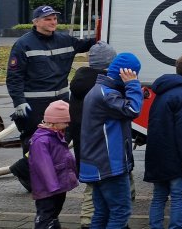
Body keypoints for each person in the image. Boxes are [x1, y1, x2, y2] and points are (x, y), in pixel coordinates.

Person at [6, 5, 95, 191]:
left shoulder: (64, 40)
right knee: (35, 142)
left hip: (61, 103)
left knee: (62, 138)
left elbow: (87, 44)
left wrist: (104, 34)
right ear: (36, 22)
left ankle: (23, 169)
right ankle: (32, 179)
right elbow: (14, 77)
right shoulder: (23, 44)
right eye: (48, 19)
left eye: (54, 18)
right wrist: (19, 102)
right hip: (34, 105)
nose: (53, 22)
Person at [79, 52, 143, 228]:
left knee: (102, 211)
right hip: (109, 164)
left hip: (100, 162)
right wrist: (132, 85)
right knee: (120, 212)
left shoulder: (100, 91)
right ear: (127, 74)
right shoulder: (106, 95)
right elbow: (132, 110)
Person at [144, 53, 182, 229]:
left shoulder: (164, 90)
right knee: (178, 197)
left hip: (157, 152)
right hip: (175, 156)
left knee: (159, 197)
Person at [69, 42, 117, 229]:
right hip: (103, 145)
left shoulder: (78, 84)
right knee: (115, 189)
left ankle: (87, 221)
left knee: (92, 186)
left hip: (84, 146)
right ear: (109, 62)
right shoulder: (106, 86)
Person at [29, 100, 78, 229]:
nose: (67, 125)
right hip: (49, 189)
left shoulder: (55, 135)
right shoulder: (42, 140)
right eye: (65, 122)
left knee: (53, 214)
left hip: (57, 186)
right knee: (46, 215)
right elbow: (43, 166)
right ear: (54, 121)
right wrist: (53, 187)